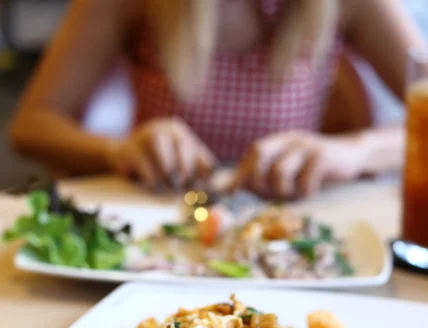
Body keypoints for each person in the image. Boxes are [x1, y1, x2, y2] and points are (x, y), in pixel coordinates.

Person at [9, 0, 425, 199]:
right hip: (160, 221)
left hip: (293, 229)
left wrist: (354, 150)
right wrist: (119, 150)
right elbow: (33, 123)